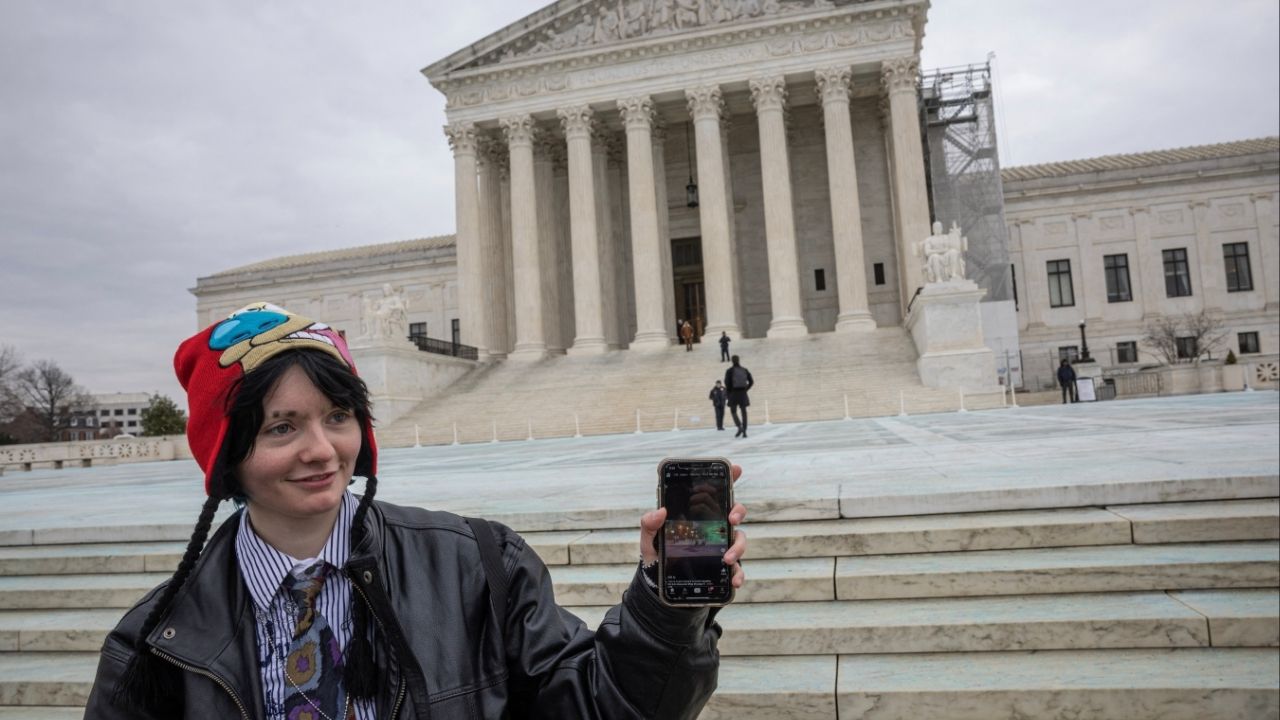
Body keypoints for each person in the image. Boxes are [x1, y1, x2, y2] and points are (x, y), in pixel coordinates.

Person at [85, 302, 748, 719]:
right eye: (282, 428)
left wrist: (666, 611)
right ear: (227, 456)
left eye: (338, 416)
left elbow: (607, 707)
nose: (321, 451)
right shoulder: (157, 640)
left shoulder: (476, 565)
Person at [724, 355, 754, 438]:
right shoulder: (744, 370)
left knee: (733, 411)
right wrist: (746, 389)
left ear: (732, 361)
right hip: (743, 393)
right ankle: (744, 431)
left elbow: (727, 383)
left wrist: (729, 393)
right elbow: (751, 381)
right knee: (744, 412)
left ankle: (739, 426)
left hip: (733, 393)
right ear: (739, 360)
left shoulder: (729, 371)